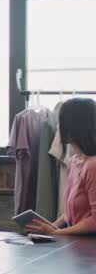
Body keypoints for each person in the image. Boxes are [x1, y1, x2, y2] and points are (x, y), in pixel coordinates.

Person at [26, 98, 96, 235]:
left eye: (61, 122)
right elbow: (69, 213)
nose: (58, 126)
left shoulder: (92, 166)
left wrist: (56, 233)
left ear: (73, 127)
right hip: (77, 246)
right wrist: (48, 228)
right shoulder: (75, 162)